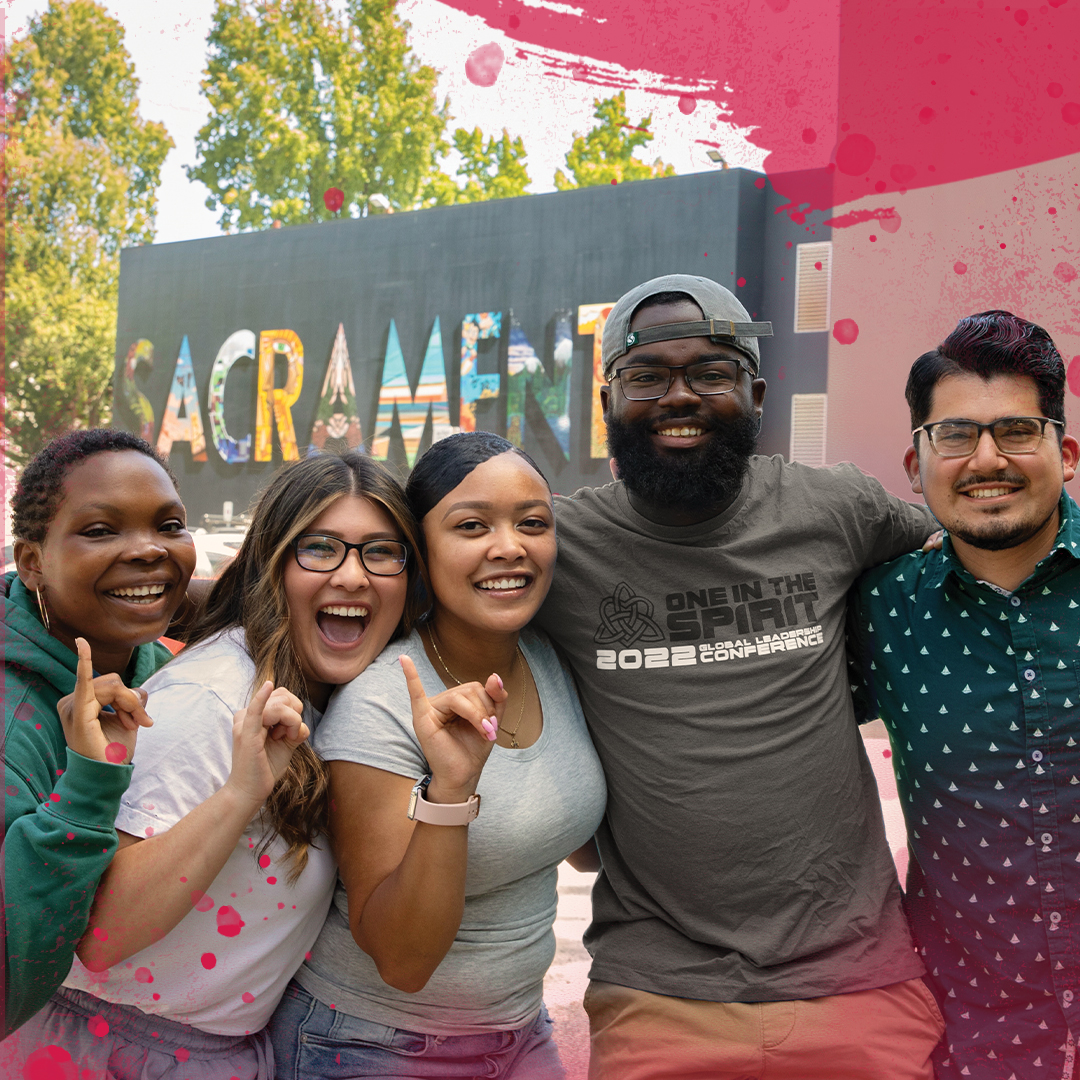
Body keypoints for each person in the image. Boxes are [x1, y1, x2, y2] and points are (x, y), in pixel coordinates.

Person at [529, 274, 947, 1079]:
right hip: (660, 996)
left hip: (859, 987)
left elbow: (975, 556)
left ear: (754, 393)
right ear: (610, 399)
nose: (678, 396)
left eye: (710, 373)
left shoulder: (837, 508)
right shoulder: (555, 544)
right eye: (647, 376)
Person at [4, 450, 423, 1079]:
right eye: (321, 548)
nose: (354, 576)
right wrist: (240, 793)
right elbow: (103, 935)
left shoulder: (314, 686)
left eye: (381, 552)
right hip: (112, 1051)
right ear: (271, 563)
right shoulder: (212, 700)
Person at [270, 431, 606, 1080]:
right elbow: (404, 961)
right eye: (472, 524)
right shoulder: (381, 704)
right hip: (374, 1043)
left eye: (532, 523)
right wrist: (449, 795)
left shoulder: (547, 656)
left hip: (520, 1030)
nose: (508, 546)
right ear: (422, 552)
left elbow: (569, 839)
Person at [848, 311, 1080, 1080]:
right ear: (915, 466)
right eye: (955, 436)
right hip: (971, 1044)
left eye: (1016, 431)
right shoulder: (879, 614)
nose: (986, 459)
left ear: (1065, 452)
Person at [2, 428, 195, 1039]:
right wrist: (87, 786)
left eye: (168, 526)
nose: (147, 550)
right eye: (100, 530)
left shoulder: (157, 664)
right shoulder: (12, 728)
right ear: (32, 560)